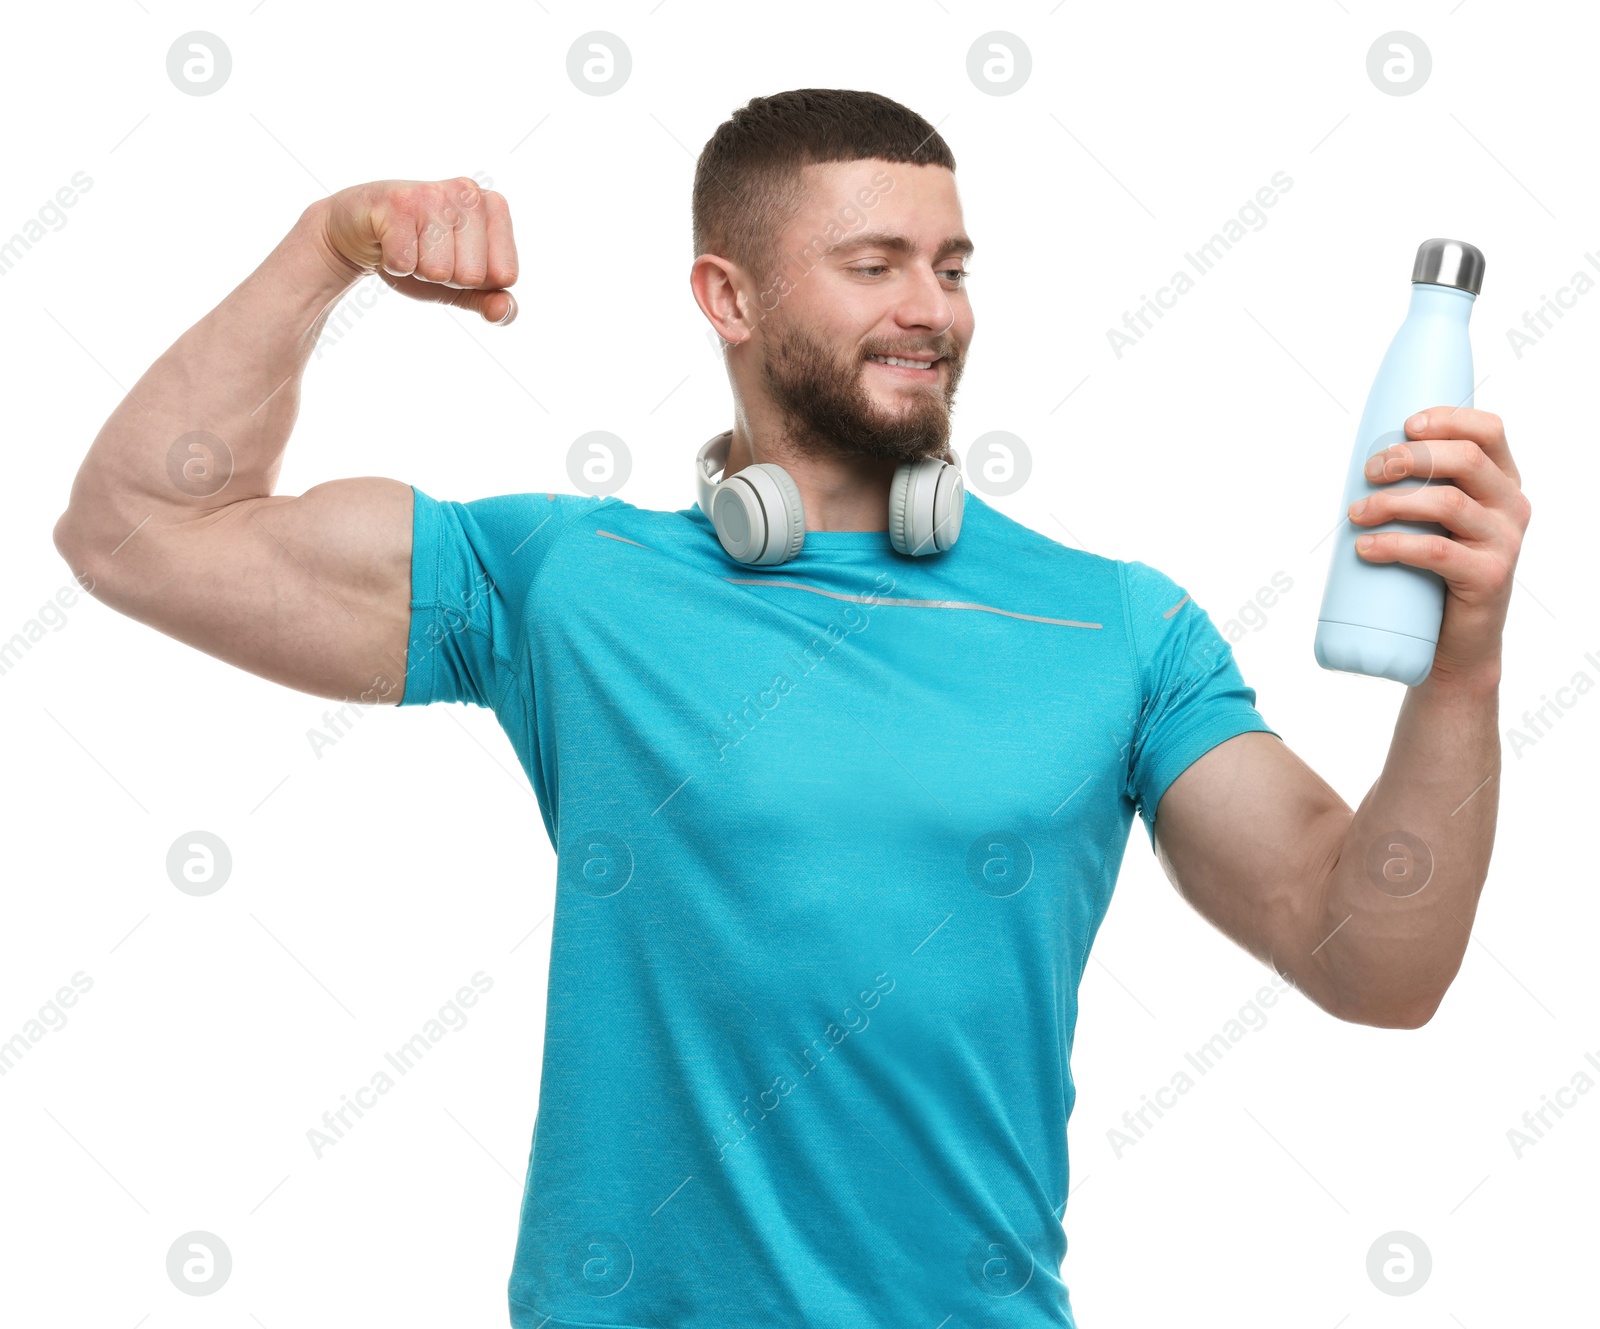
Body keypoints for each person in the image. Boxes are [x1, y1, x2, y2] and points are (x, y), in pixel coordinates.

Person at [53, 88, 1528, 1329]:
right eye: (875, 262)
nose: (930, 309)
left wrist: (1462, 663)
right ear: (730, 296)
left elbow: (1375, 960)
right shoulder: (574, 582)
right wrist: (329, 247)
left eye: (952, 265)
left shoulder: (1114, 624)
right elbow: (136, 532)